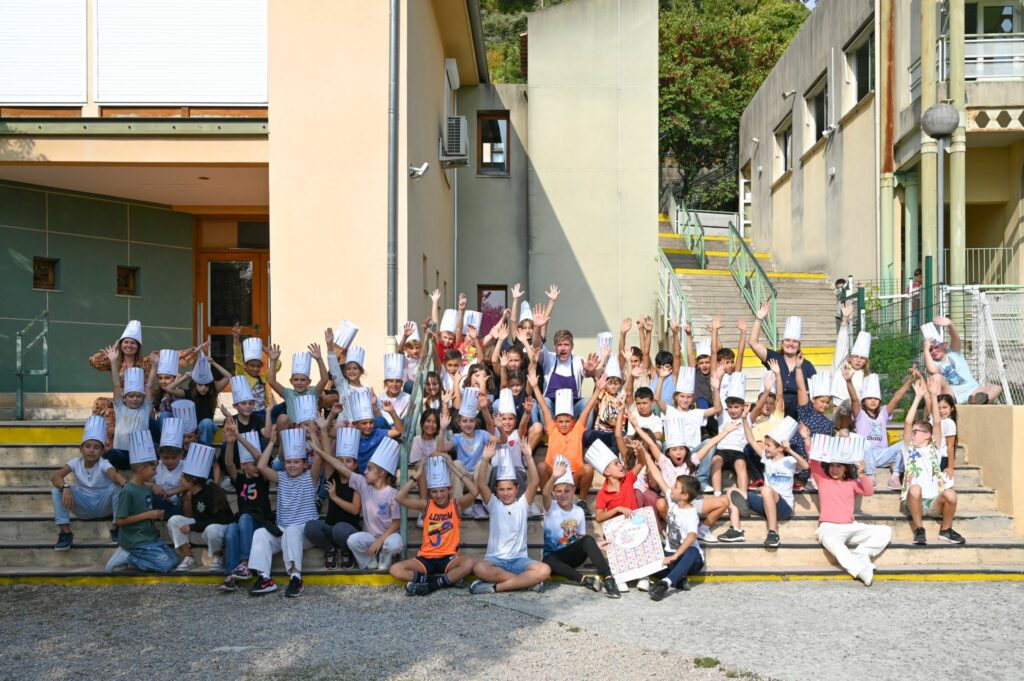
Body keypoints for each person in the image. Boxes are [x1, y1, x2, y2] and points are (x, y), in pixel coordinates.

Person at [88, 321, 198, 447]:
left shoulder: (145, 362)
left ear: (138, 346)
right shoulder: (115, 361)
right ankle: (103, 445)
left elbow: (172, 357)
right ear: (121, 344)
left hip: (140, 404)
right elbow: (94, 361)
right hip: (121, 403)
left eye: (133, 343)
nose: (129, 345)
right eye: (126, 342)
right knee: (100, 402)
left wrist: (195, 351)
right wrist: (114, 349)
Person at [805, 424, 891, 586]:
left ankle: (862, 553)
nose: (834, 469)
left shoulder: (851, 482)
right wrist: (807, 439)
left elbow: (868, 492)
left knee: (886, 531)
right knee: (835, 544)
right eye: (832, 465)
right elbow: (814, 461)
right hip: (829, 527)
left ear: (845, 469)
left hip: (851, 526)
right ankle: (859, 571)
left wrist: (862, 474)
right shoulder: (823, 480)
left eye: (839, 466)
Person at [248, 426, 323, 598]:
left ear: (305, 464)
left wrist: (312, 438)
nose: (291, 465)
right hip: (284, 530)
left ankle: (296, 577)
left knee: (291, 530)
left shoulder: (310, 478)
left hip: (305, 532)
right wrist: (273, 442)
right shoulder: (281, 478)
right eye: (288, 462)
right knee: (260, 534)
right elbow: (261, 466)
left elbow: (318, 456)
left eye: (296, 462)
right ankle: (264, 578)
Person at [469, 439, 550, 594]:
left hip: (519, 560)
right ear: (496, 491)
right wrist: (485, 459)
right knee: (479, 568)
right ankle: (525, 582)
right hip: (495, 560)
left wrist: (529, 457)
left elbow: (534, 482)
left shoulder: (522, 505)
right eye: (501, 490)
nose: (505, 493)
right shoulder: (494, 504)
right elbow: (481, 484)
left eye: (509, 489)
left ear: (516, 488)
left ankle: (495, 587)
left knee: (544, 569)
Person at [391, 455, 479, 596]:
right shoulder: (426, 505)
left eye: (442, 490)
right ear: (430, 493)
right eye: (434, 491)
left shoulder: (456, 505)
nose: (439, 495)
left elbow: (475, 492)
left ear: (449, 490)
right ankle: (439, 580)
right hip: (426, 557)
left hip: (449, 557)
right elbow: (399, 497)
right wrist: (417, 475)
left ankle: (431, 586)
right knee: (395, 569)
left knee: (469, 564)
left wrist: (454, 469)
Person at [720, 416, 807, 547]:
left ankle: (773, 533)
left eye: (769, 445)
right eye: (765, 445)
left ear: (780, 448)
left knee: (766, 489)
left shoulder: (789, 461)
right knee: (731, 491)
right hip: (767, 503)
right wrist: (744, 419)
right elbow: (751, 440)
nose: (765, 448)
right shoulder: (767, 459)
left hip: (784, 508)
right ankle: (736, 530)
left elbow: (805, 466)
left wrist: (789, 450)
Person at [320, 437, 405, 570]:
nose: (365, 472)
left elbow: (396, 522)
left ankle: (384, 557)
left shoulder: (392, 493)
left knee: (395, 543)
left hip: (387, 537)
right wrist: (318, 450)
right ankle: (369, 561)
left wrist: (380, 540)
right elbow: (338, 466)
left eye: (369, 469)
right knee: (352, 540)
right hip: (370, 537)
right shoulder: (363, 485)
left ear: (381, 473)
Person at [541, 456, 620, 598]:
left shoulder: (578, 511)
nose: (563, 495)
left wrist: (594, 545)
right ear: (554, 492)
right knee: (547, 561)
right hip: (554, 559)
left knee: (588, 539)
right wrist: (554, 477)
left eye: (567, 491)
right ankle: (584, 580)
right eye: (559, 491)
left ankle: (609, 579)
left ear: (573, 491)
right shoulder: (550, 507)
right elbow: (545, 493)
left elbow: (580, 538)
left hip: (573, 556)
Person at [901, 377, 966, 546]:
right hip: (913, 501)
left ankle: (945, 530)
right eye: (912, 432)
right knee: (915, 489)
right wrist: (917, 397)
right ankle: (919, 529)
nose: (912, 434)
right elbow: (908, 422)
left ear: (928, 435)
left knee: (951, 494)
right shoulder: (909, 449)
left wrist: (933, 394)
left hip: (933, 503)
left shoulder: (934, 449)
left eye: (917, 432)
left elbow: (937, 422)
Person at [104, 432, 179, 574]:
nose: (156, 472)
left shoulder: (145, 487)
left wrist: (155, 514)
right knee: (166, 566)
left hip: (149, 537)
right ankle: (128, 557)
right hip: (136, 541)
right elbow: (120, 520)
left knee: (175, 560)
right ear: (140, 469)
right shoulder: (128, 491)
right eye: (153, 469)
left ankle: (136, 555)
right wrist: (148, 515)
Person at [529, 371, 603, 512]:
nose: (563, 424)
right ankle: (548, 499)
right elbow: (544, 408)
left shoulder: (577, 429)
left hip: (574, 477)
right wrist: (535, 387)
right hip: (553, 476)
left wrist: (598, 389)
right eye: (561, 421)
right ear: (555, 422)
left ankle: (581, 501)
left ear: (573, 421)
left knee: (588, 468)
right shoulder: (552, 429)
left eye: (567, 421)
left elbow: (587, 410)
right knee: (541, 466)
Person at [51, 416, 125, 551]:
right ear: (81, 449)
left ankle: (117, 528)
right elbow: (56, 476)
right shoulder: (75, 462)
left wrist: (124, 483)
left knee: (116, 486)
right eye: (88, 446)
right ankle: (65, 533)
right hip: (83, 507)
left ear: (102, 451)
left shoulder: (104, 463)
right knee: (57, 490)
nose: (91, 450)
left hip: (104, 506)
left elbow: (113, 475)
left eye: (96, 447)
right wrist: (65, 486)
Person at [218, 423, 275, 591]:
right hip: (244, 523)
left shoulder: (262, 479)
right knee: (231, 529)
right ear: (243, 466)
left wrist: (240, 438)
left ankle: (245, 562)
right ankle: (230, 575)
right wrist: (230, 443)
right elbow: (229, 465)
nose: (256, 467)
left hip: (261, 521)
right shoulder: (240, 479)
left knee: (244, 517)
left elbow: (259, 458)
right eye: (251, 464)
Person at [639, 457, 706, 600]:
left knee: (693, 550)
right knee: (649, 560)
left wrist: (675, 556)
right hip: (671, 556)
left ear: (684, 495)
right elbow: (657, 476)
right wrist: (644, 453)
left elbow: (691, 537)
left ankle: (665, 584)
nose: (671, 488)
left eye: (675, 486)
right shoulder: (673, 501)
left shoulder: (691, 513)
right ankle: (679, 579)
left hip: (690, 560)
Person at [303, 426, 362, 571]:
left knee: (339, 529)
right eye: (340, 460)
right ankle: (330, 550)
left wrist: (334, 497)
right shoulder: (332, 476)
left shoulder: (358, 481)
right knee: (310, 526)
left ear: (355, 465)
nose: (343, 464)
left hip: (349, 531)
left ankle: (346, 551)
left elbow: (355, 510)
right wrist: (323, 429)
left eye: (348, 461)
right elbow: (327, 455)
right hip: (331, 529)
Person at [166, 443, 232, 571]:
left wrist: (192, 527)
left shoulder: (211, 492)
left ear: (193, 480)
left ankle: (219, 556)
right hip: (202, 526)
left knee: (211, 530)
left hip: (218, 528)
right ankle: (188, 557)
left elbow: (220, 519)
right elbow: (192, 517)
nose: (180, 478)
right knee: (174, 521)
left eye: (183, 476)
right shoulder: (193, 493)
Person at [749, 303, 816, 419]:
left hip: (797, 415)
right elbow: (753, 343)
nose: (791, 344)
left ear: (799, 345)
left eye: (795, 341)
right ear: (782, 343)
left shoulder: (807, 366)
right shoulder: (774, 358)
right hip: (774, 413)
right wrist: (759, 319)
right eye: (788, 340)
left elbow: (815, 393)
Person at [848, 369, 914, 488]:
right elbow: (853, 399)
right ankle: (870, 476)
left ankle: (895, 476)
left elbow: (896, 398)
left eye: (876, 398)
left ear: (879, 400)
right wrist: (848, 381)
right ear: (863, 401)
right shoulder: (860, 415)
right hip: (865, 455)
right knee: (866, 443)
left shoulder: (883, 414)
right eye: (869, 398)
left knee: (906, 443)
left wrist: (910, 381)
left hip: (882, 455)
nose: (873, 401)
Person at [100, 347, 158, 470]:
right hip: (121, 454)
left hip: (140, 456)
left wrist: (155, 366)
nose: (135, 399)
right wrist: (113, 362)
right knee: (110, 455)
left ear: (143, 398)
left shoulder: (145, 409)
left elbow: (149, 386)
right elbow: (116, 384)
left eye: (138, 396)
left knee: (157, 449)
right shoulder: (120, 408)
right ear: (124, 398)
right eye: (131, 396)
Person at [922, 319, 1001, 405]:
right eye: (930, 349)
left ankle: (974, 402)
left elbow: (955, 338)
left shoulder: (953, 352)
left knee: (997, 388)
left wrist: (950, 324)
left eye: (936, 347)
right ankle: (938, 411)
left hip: (972, 392)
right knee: (936, 377)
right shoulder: (933, 362)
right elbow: (933, 371)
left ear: (944, 345)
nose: (933, 351)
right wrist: (926, 349)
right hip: (953, 396)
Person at [266, 344, 330, 431]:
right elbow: (271, 381)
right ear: (291, 381)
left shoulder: (313, 392)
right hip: (293, 430)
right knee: (282, 417)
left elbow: (324, 379)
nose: (299, 382)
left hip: (310, 429)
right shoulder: (288, 393)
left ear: (309, 382)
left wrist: (319, 359)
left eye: (303, 380)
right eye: (296, 380)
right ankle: (283, 444)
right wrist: (273, 361)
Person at [232, 324, 279, 419]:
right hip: (251, 413)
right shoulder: (242, 376)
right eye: (252, 366)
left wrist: (267, 351)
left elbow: (277, 364)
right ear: (246, 365)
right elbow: (238, 359)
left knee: (284, 407)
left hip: (265, 412)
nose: (255, 369)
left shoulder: (263, 377)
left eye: (258, 366)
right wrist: (236, 340)